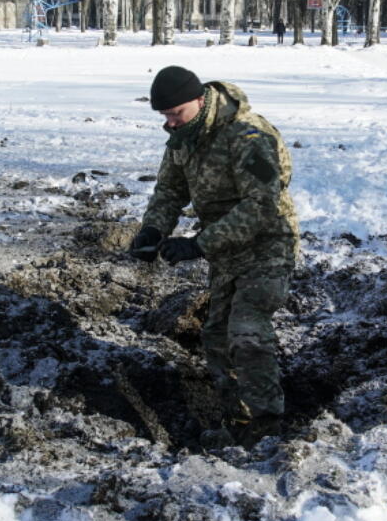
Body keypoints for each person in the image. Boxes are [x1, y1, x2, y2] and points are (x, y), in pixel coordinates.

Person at [128, 66, 300, 447]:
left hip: (268, 245)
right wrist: (152, 231)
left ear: (200, 100)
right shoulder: (182, 138)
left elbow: (262, 205)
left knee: (246, 330)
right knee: (217, 336)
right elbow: (169, 190)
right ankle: (239, 424)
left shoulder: (249, 135)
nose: (170, 122)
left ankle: (268, 429)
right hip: (226, 253)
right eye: (164, 116)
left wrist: (199, 244)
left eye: (176, 113)